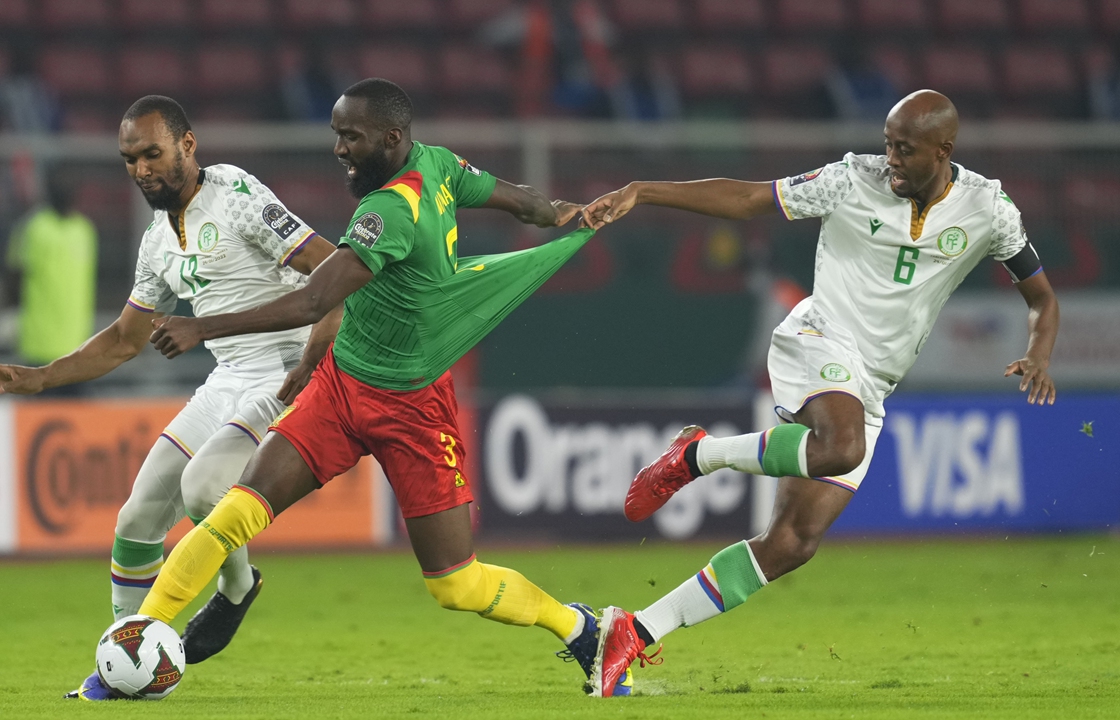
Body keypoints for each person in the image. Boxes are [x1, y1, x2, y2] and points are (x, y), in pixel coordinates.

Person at [130, 78, 632, 695]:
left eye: (351, 137)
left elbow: (315, 296)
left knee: (457, 585)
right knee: (231, 513)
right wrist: (566, 212)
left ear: (392, 139)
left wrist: (199, 325)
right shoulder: (440, 165)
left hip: (414, 406)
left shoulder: (388, 210)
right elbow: (520, 201)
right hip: (341, 388)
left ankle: (583, 629)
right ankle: (136, 644)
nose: (339, 149)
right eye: (336, 134)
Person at [579, 90, 1060, 697]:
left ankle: (635, 630)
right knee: (841, 448)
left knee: (789, 545)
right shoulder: (849, 180)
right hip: (819, 337)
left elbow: (1042, 299)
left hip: (874, 383)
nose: (891, 160)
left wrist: (1040, 352)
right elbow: (749, 197)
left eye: (904, 150)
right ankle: (698, 456)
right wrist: (645, 190)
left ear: (944, 150)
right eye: (887, 144)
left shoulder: (989, 208)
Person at [0, 95, 343, 700]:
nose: (140, 168)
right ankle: (126, 665)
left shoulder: (236, 195)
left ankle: (238, 588)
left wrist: (315, 353)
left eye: (152, 153)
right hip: (226, 379)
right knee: (136, 519)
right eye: (129, 159)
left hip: (282, 374)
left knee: (201, 488)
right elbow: (121, 341)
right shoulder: (157, 242)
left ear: (188, 146)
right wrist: (40, 376)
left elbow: (336, 269)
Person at [7, 171, 97, 370]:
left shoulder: (84, 230)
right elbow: (13, 276)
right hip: (38, 345)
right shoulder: (33, 228)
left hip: (77, 345)